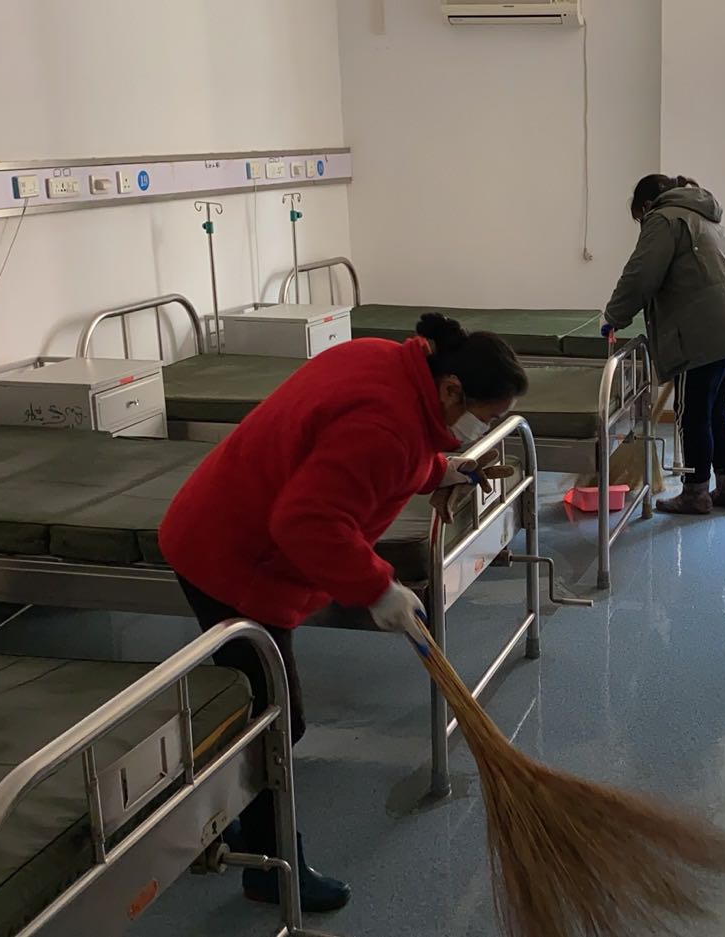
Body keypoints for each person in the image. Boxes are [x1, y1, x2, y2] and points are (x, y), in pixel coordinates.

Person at [158, 313, 527, 912]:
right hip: (231, 558)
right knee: (276, 720)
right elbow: (305, 520)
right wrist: (378, 587)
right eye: (479, 417)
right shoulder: (388, 423)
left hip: (219, 522)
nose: (475, 430)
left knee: (253, 707)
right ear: (451, 389)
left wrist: (444, 469)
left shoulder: (386, 362)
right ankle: (271, 867)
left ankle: (232, 823)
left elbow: (383, 446)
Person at [602, 173, 725, 515]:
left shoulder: (663, 218)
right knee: (715, 408)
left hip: (706, 329)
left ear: (647, 205)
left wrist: (613, 317)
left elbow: (641, 275)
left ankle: (695, 494)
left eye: (639, 217)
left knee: (692, 412)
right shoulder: (708, 219)